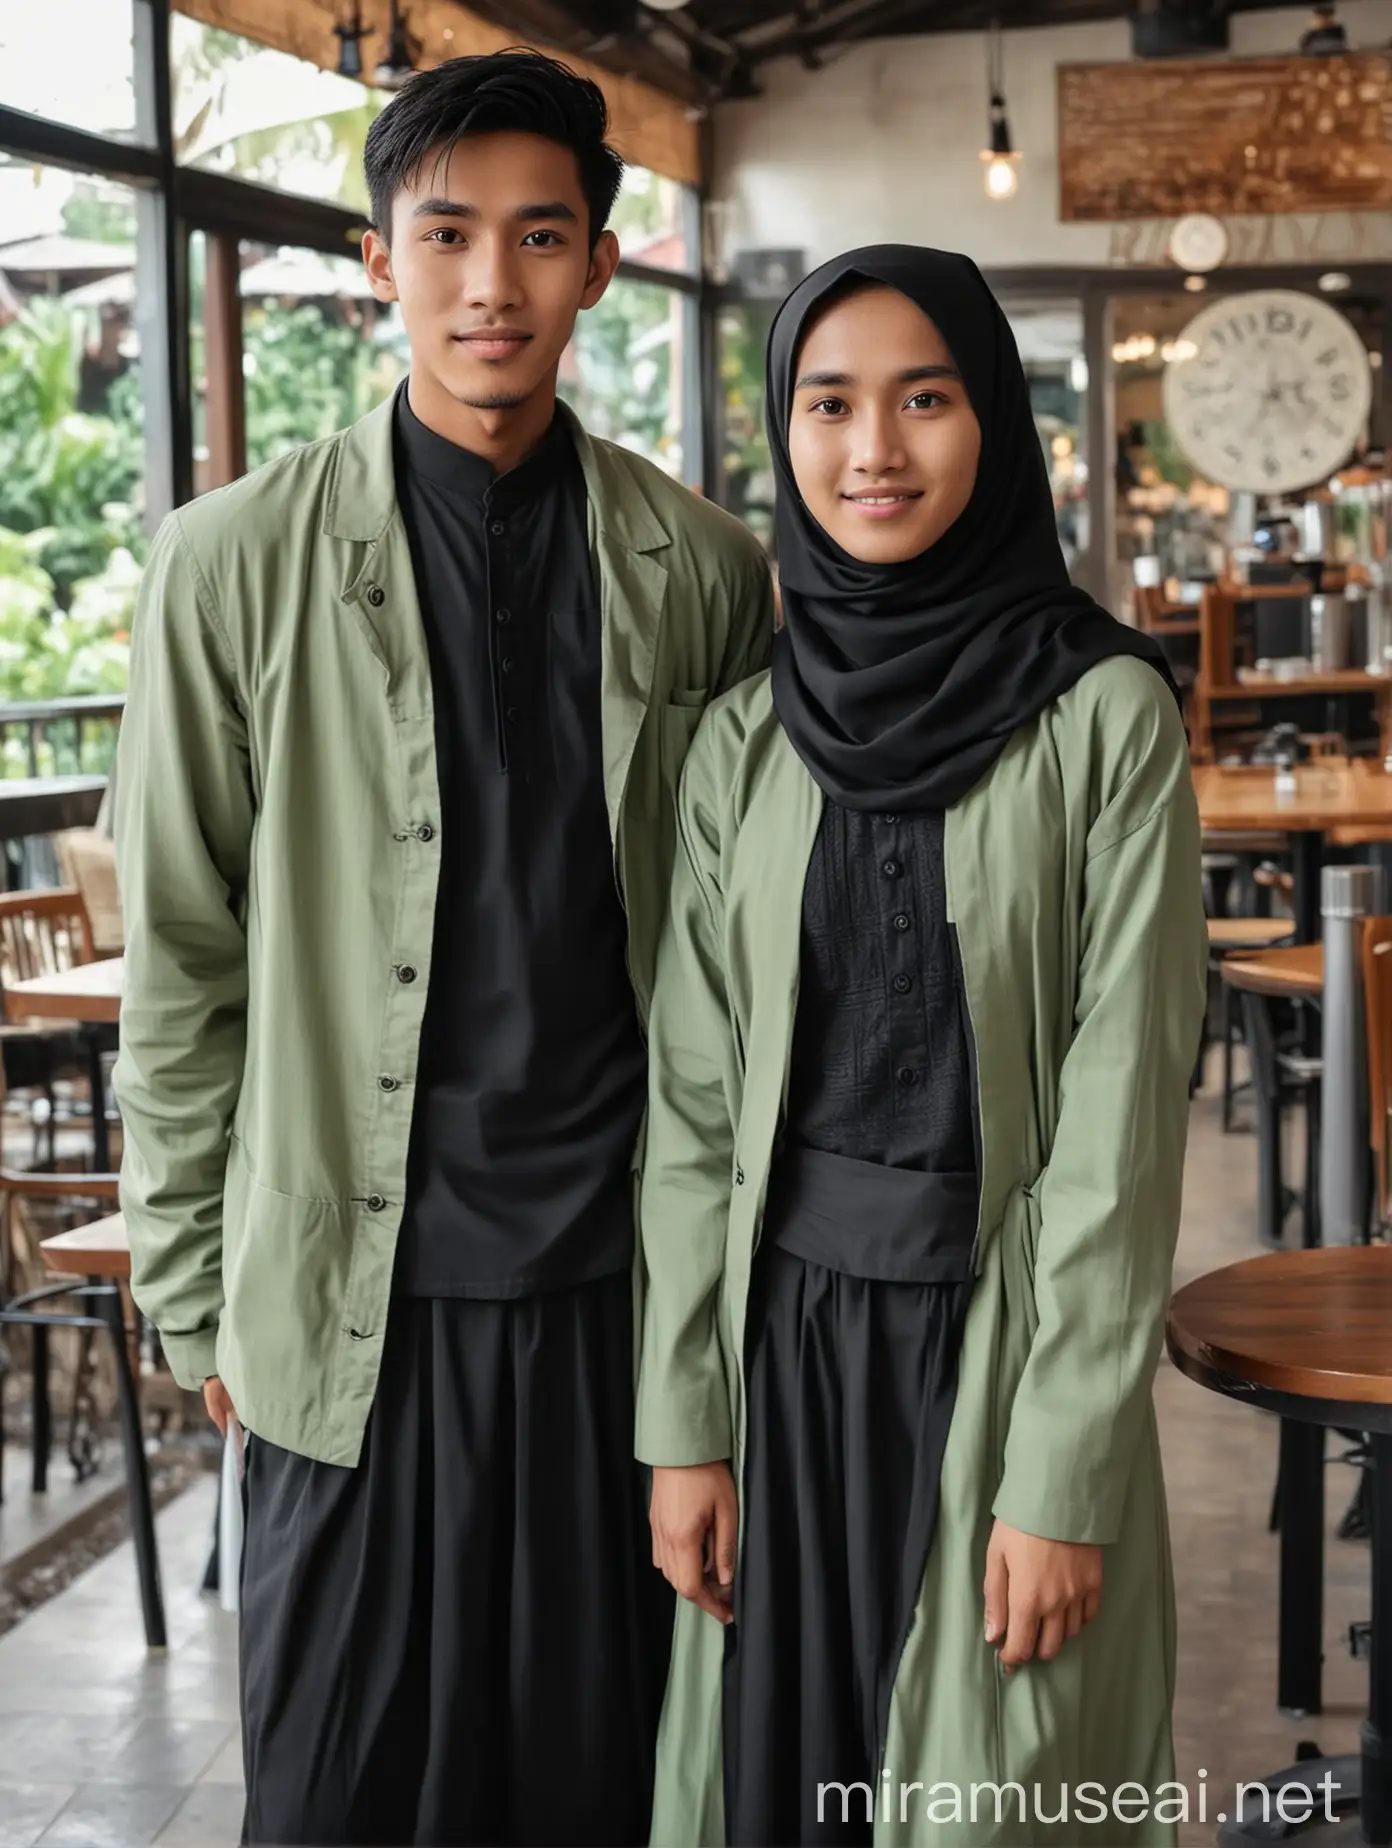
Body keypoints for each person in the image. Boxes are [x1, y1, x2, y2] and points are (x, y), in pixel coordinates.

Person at [113, 49, 772, 1848]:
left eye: (541, 236)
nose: (495, 283)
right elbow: (180, 950)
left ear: (601, 267)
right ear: (378, 257)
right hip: (347, 1302)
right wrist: (188, 1287)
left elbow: (730, 963)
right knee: (337, 1792)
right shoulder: (228, 564)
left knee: (592, 1786)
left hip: (609, 1298)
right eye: (451, 234)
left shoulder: (703, 572)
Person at [636, 246, 1207, 1847]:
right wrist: (685, 1424)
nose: (873, 449)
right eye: (830, 404)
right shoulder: (744, 738)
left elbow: (1119, 1122)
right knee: (778, 1783)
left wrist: (1066, 1472)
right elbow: (691, 1113)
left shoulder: (1104, 717)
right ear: (782, 431)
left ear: (997, 427)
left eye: (926, 399)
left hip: (1002, 1346)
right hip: (782, 1352)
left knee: (985, 1792)